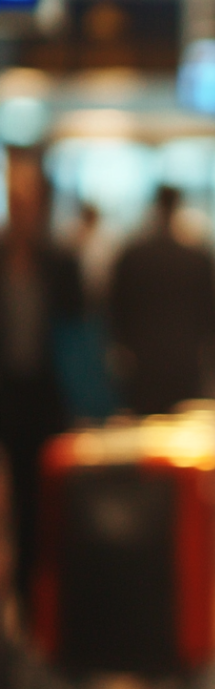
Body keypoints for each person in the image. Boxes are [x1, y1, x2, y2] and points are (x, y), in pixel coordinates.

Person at [0, 146, 83, 613]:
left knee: (43, 516)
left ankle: (36, 612)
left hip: (46, 404)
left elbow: (79, 339)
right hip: (5, 400)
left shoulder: (60, 264)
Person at [107, 184, 215, 414]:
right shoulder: (197, 259)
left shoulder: (133, 256)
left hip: (144, 364)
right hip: (186, 362)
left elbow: (115, 311)